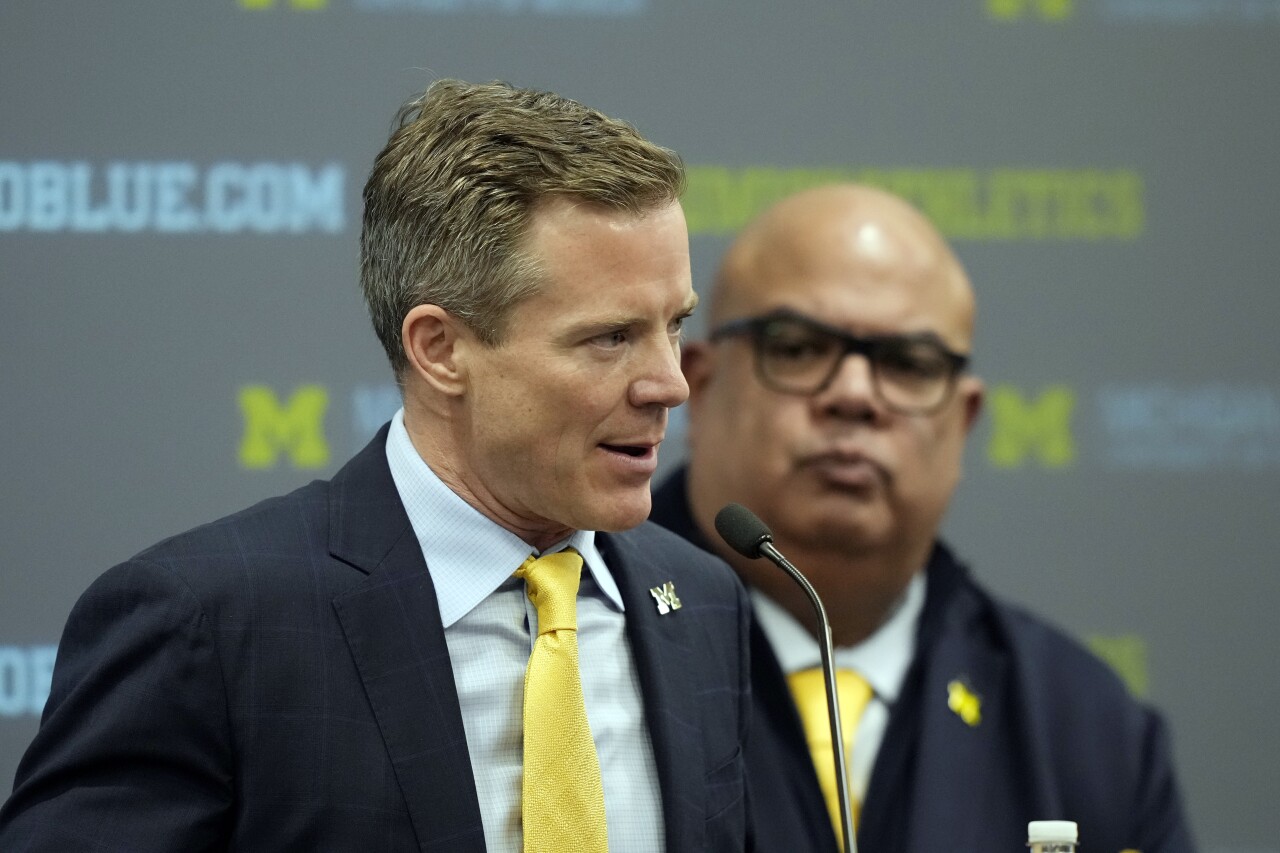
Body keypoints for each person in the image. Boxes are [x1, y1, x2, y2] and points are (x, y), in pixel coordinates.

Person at [0, 79, 752, 852]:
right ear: (441, 349)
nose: (672, 383)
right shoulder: (209, 624)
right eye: (611, 337)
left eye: (675, 323)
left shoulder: (701, 600)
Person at [651, 184, 1196, 853]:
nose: (853, 396)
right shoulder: (583, 650)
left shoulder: (1085, 725)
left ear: (962, 421)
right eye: (797, 348)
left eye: (908, 364)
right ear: (698, 388)